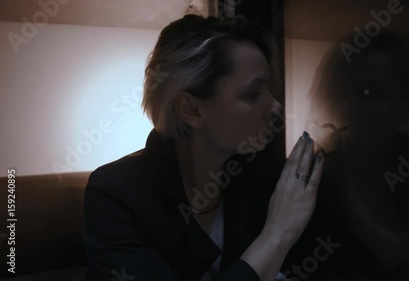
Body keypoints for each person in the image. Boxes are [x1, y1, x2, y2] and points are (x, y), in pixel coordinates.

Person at [82, 15, 325, 281]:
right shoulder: (116, 194)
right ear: (191, 109)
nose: (276, 106)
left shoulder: (262, 178)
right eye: (253, 94)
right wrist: (277, 234)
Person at [303, 30, 409, 281]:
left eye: (371, 94)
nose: (353, 106)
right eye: (343, 90)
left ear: (406, 102)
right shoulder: (309, 178)